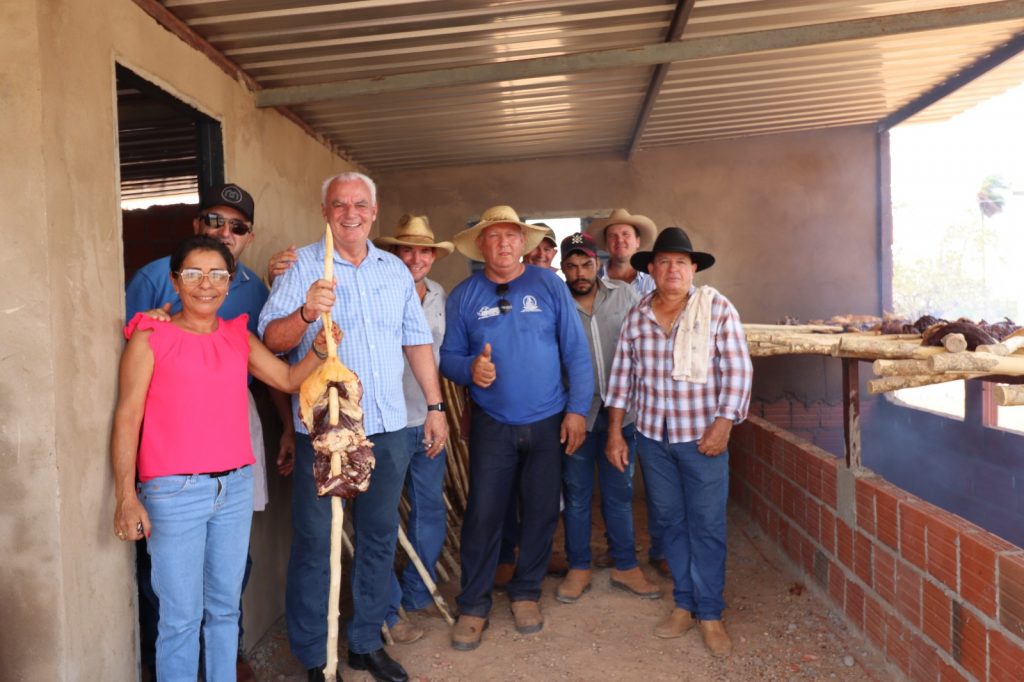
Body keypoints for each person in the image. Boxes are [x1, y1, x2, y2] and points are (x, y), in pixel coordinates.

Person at [111, 235, 330, 682]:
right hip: (173, 492)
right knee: (179, 619)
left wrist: (319, 352)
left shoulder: (238, 337)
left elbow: (288, 379)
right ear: (175, 281)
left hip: (233, 488)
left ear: (230, 282)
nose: (205, 284)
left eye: (217, 274)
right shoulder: (150, 337)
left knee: (225, 610)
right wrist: (125, 496)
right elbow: (127, 416)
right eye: (193, 274)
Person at [259, 171, 447, 682]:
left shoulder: (393, 271)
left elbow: (416, 342)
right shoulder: (301, 266)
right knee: (317, 541)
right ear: (325, 212)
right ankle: (316, 655)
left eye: (359, 203)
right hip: (324, 428)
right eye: (339, 204)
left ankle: (364, 641)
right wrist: (304, 312)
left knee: (379, 535)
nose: (350, 213)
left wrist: (434, 406)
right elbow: (272, 342)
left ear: (374, 209)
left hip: (385, 425)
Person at [440, 205, 593, 651]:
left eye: (511, 236)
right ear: (481, 245)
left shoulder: (548, 285)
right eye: (494, 237)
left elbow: (576, 353)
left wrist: (578, 410)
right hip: (494, 423)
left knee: (543, 510)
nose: (503, 244)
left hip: (548, 419)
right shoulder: (464, 295)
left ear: (522, 242)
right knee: (484, 512)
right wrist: (471, 368)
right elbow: (448, 357)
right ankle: (473, 603)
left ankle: (526, 592)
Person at [604, 226, 752, 658]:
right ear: (651, 269)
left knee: (706, 525)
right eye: (664, 262)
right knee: (669, 524)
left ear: (693, 270)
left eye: (681, 263)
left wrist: (724, 424)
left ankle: (709, 612)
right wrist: (615, 431)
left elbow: (738, 370)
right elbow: (621, 379)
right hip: (653, 438)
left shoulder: (716, 308)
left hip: (702, 438)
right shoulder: (638, 316)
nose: (673, 269)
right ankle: (684, 604)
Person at [554, 232, 661, 604]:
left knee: (619, 494)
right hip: (576, 415)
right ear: (563, 268)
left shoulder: (624, 295)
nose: (580, 272)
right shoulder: (557, 303)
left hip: (622, 414)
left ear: (597, 263)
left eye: (586, 264)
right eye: (571, 265)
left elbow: (645, 345)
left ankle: (626, 565)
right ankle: (579, 566)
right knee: (578, 494)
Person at [372, 214, 454, 643]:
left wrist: (438, 408)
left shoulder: (438, 293)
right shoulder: (379, 289)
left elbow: (441, 353)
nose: (416, 258)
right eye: (407, 249)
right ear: (393, 252)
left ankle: (418, 589)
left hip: (427, 417)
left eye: (424, 251)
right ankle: (386, 607)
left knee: (429, 507)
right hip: (386, 421)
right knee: (381, 517)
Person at [586, 207, 665, 575]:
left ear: (637, 241)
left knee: (657, 478)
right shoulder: (590, 282)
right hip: (607, 401)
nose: (620, 242)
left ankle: (660, 549)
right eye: (614, 236)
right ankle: (619, 551)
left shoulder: (656, 280)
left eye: (627, 236)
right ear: (607, 244)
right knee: (617, 483)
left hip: (652, 397)